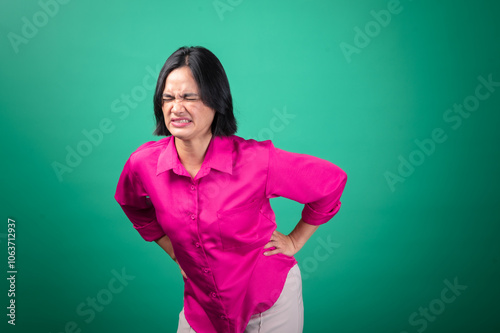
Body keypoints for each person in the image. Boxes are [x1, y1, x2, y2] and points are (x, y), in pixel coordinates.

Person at [114, 46, 347, 333]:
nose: (176, 108)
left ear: (216, 101)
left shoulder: (257, 161)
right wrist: (173, 250)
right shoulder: (144, 164)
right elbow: (131, 203)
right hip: (202, 308)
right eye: (168, 98)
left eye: (189, 97)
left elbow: (331, 182)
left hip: (268, 303)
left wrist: (295, 241)